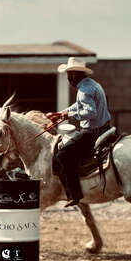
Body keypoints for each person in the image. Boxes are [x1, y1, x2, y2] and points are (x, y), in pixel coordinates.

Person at [46, 57, 111, 207]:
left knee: (63, 155)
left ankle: (74, 194)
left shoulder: (84, 90)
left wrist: (67, 116)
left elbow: (90, 112)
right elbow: (79, 105)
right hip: (104, 127)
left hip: (92, 132)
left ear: (75, 74)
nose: (68, 78)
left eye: (69, 74)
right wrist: (61, 113)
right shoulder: (92, 85)